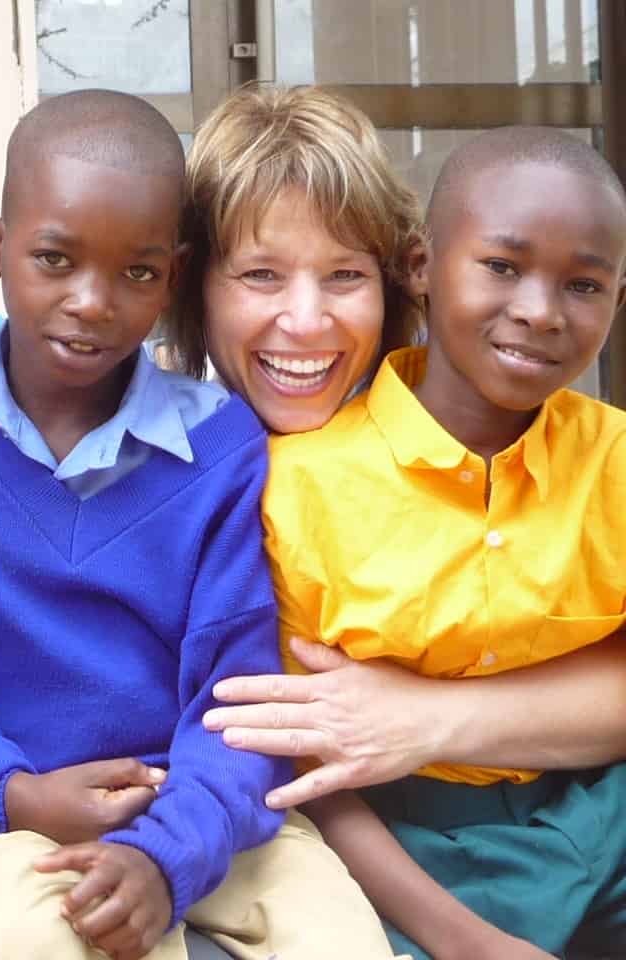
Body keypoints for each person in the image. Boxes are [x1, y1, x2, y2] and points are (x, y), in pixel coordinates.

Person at [0, 89, 404, 960]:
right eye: (55, 258)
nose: (92, 301)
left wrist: (167, 855)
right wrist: (16, 795)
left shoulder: (221, 445)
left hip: (212, 814)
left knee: (337, 939)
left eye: (137, 273)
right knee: (33, 941)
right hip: (22, 821)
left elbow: (236, 694)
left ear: (176, 276)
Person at [168, 84, 626, 826]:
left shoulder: (573, 448)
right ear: (191, 287)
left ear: (399, 278)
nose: (307, 322)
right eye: (260, 275)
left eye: (345, 275)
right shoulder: (227, 486)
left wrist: (432, 715)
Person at [258, 125, 626, 959]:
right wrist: (467, 943)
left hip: (601, 816)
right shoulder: (296, 487)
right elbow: (305, 771)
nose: (538, 309)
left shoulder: (615, 463)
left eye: (584, 283)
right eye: (502, 266)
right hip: (401, 850)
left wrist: (431, 716)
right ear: (421, 267)